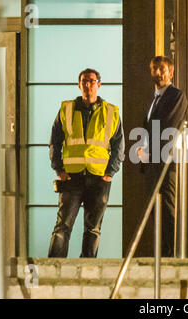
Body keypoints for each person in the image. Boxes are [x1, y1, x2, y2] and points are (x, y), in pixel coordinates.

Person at [48, 68, 125, 258]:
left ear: (99, 84)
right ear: (79, 85)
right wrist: (58, 168)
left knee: (93, 229)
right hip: (71, 177)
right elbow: (54, 141)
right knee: (62, 227)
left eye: (91, 81)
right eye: (84, 81)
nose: (87, 85)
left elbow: (119, 144)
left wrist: (110, 172)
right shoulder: (66, 110)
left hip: (99, 178)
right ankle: (53, 266)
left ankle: (87, 268)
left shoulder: (111, 112)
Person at [137, 56, 188, 257]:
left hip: (165, 162)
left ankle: (169, 254)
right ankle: (161, 251)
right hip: (151, 162)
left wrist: (151, 152)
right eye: (154, 69)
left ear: (171, 73)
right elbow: (148, 129)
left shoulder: (176, 95)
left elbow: (168, 126)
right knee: (154, 210)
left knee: (167, 208)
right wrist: (142, 149)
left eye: (162, 69)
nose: (158, 73)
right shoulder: (154, 99)